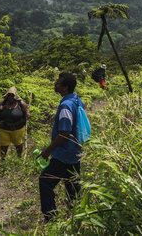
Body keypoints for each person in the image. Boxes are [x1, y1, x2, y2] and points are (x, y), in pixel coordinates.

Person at [37, 72, 84, 222]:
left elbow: (64, 132)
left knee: (45, 181)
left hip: (64, 153)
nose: (55, 84)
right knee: (72, 185)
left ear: (65, 87)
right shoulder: (76, 100)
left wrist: (48, 150)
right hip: (75, 151)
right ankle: (76, 215)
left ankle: (50, 217)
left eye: (58, 82)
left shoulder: (65, 106)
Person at [0, 86, 30, 159]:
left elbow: (27, 112)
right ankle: (3, 159)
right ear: (7, 95)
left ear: (15, 96)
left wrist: (28, 114)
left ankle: (19, 158)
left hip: (17, 128)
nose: (10, 97)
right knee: (4, 144)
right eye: (9, 95)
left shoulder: (21, 103)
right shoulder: (3, 102)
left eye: (12, 95)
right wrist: (0, 109)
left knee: (18, 144)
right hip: (4, 128)